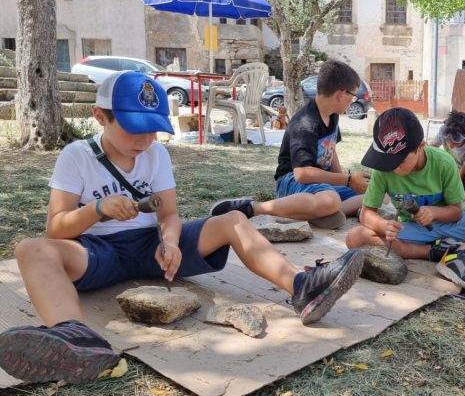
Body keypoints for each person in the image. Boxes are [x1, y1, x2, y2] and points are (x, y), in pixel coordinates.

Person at [0, 71, 363, 385]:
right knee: (31, 249)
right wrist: (96, 210)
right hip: (96, 254)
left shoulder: (155, 154)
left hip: (151, 247)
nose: (144, 142)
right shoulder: (77, 155)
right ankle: (76, 339)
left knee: (234, 220)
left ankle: (301, 286)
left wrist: (170, 243)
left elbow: (169, 214)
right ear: (100, 117)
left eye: (152, 131)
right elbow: (56, 229)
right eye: (133, 130)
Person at [345, 108, 465, 294]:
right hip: (415, 232)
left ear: (421, 146)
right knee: (355, 237)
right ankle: (433, 252)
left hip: (457, 227)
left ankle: (463, 254)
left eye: (399, 160)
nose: (393, 167)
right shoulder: (383, 170)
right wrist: (383, 225)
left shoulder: (443, 162)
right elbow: (367, 213)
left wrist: (433, 212)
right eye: (387, 160)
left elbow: (457, 211)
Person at [211, 60, 370, 230]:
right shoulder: (305, 123)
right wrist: (347, 180)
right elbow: (302, 173)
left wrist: (345, 182)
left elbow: (331, 150)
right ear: (341, 94)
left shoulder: (332, 115)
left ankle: (318, 213)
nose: (353, 101)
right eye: (353, 96)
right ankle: (254, 208)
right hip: (291, 182)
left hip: (321, 186)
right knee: (330, 200)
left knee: (374, 193)